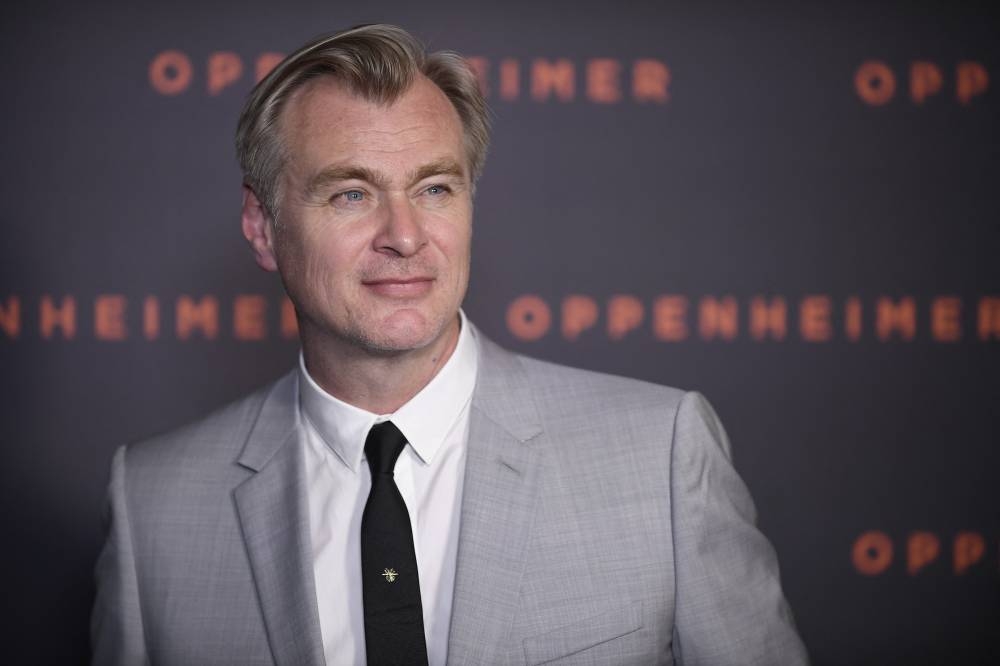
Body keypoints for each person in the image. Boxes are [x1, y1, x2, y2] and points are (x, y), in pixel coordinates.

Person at [91, 23, 809, 666]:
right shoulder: (153, 504)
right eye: (351, 194)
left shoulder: (660, 456)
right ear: (262, 227)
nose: (405, 236)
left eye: (434, 188)